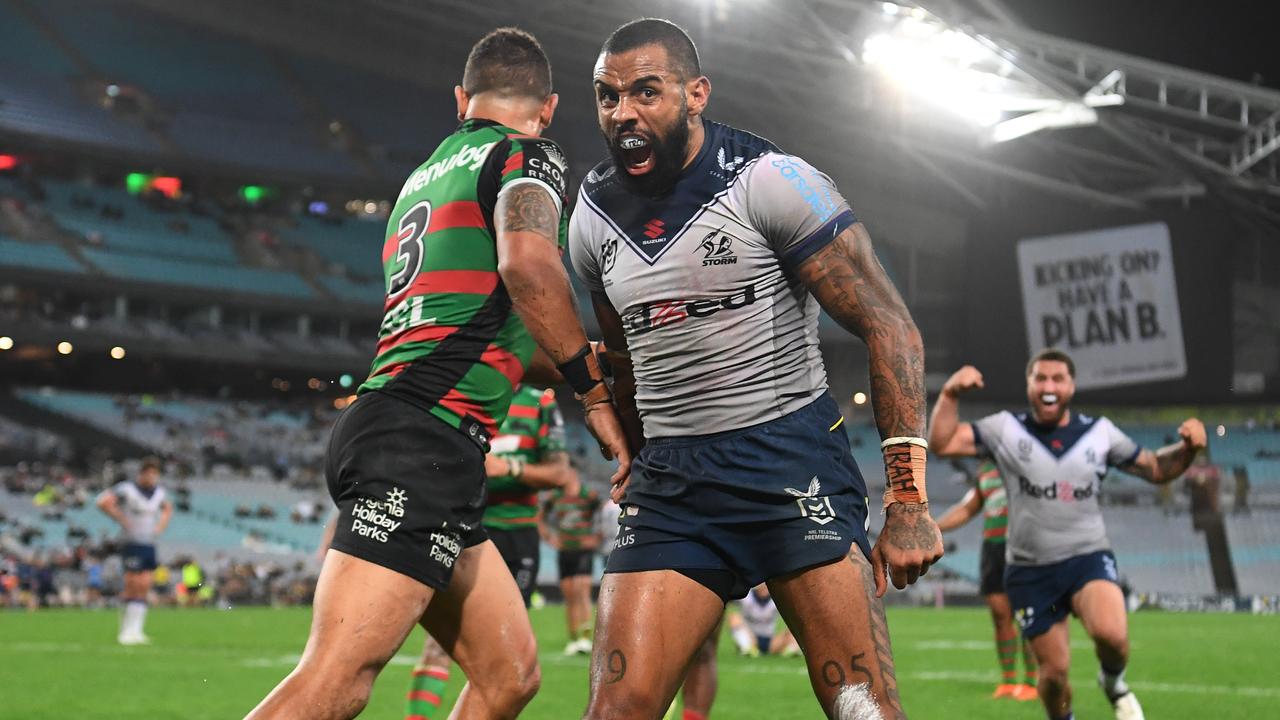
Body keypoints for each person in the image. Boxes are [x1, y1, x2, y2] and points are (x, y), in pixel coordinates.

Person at [246, 27, 630, 720]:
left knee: (509, 675)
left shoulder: (422, 179)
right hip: (421, 440)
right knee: (338, 681)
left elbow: (498, 331)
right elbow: (528, 268)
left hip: (414, 436)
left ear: (462, 100)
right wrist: (595, 392)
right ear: (547, 107)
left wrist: (588, 364)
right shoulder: (526, 153)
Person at [569, 18, 942, 719]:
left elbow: (890, 326)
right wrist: (630, 441)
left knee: (859, 706)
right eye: (607, 96)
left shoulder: (771, 181)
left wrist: (910, 502)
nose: (623, 114)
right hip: (674, 481)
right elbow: (624, 357)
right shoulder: (590, 215)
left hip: (788, 461)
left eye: (645, 92)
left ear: (696, 93)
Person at [928, 349, 1207, 720]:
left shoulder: (1100, 433)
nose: (1048, 386)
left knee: (1113, 637)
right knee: (1055, 675)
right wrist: (950, 394)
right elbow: (943, 443)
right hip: (1030, 570)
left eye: (1058, 378)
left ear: (1071, 386)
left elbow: (1156, 467)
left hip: (1087, 557)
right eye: (1040, 378)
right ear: (1028, 384)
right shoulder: (1005, 430)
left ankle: (1113, 683)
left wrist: (1188, 449)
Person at [404, 384, 578, 720]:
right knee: (438, 646)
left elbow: (560, 473)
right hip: (463, 530)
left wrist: (509, 469)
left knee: (508, 658)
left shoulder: (539, 404)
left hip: (519, 538)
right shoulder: (463, 391)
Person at [934, 462, 1038, 700]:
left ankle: (1032, 682)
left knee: (1028, 616)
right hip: (993, 548)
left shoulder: (1030, 462)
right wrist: (933, 526)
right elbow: (967, 508)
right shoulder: (986, 470)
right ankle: (1009, 681)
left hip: (1025, 548)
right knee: (1000, 617)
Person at [96, 456, 172, 645]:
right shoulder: (127, 490)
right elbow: (103, 502)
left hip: (148, 543)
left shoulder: (159, 493)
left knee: (145, 584)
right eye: (148, 473)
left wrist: (161, 526)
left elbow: (168, 509)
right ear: (141, 474)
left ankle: (137, 630)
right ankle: (125, 630)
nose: (151, 478)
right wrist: (120, 518)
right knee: (132, 583)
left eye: (155, 474)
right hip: (131, 542)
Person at [542, 478, 603, 655]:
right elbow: (540, 516)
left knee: (582, 590)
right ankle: (573, 639)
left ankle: (585, 638)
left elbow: (603, 512)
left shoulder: (587, 494)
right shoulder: (555, 496)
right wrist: (549, 537)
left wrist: (597, 537)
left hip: (584, 550)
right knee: (569, 595)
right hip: (565, 551)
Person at [728, 584, 800, 658]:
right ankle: (747, 648)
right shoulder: (747, 596)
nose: (764, 588)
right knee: (734, 617)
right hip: (751, 638)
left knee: (797, 624)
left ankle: (792, 649)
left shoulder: (776, 598)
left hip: (770, 641)